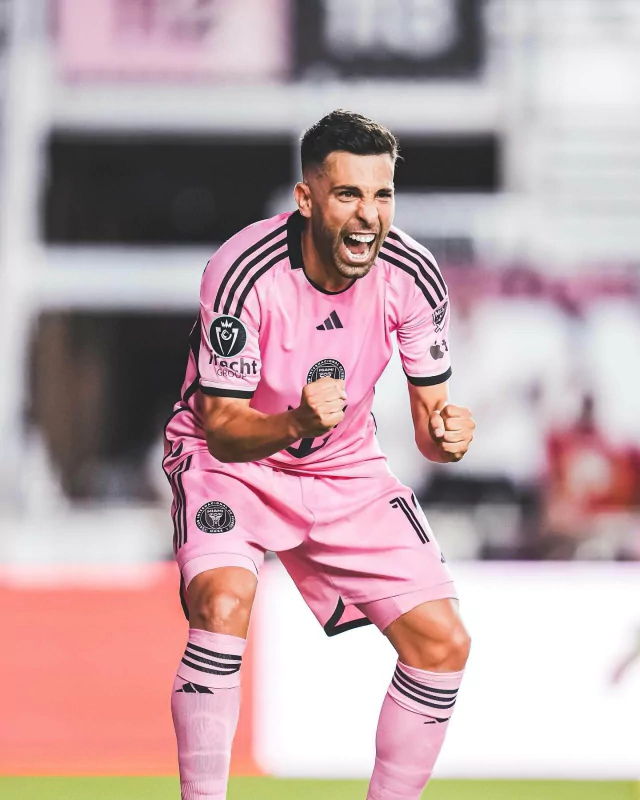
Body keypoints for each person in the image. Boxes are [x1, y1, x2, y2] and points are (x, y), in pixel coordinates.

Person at [163, 109, 475, 800]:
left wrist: (446, 436)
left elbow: (431, 427)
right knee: (222, 600)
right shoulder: (243, 270)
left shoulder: (413, 275)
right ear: (306, 200)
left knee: (443, 644)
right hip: (233, 463)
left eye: (382, 195)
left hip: (343, 466)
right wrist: (297, 419)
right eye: (348, 195)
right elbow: (220, 427)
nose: (369, 216)